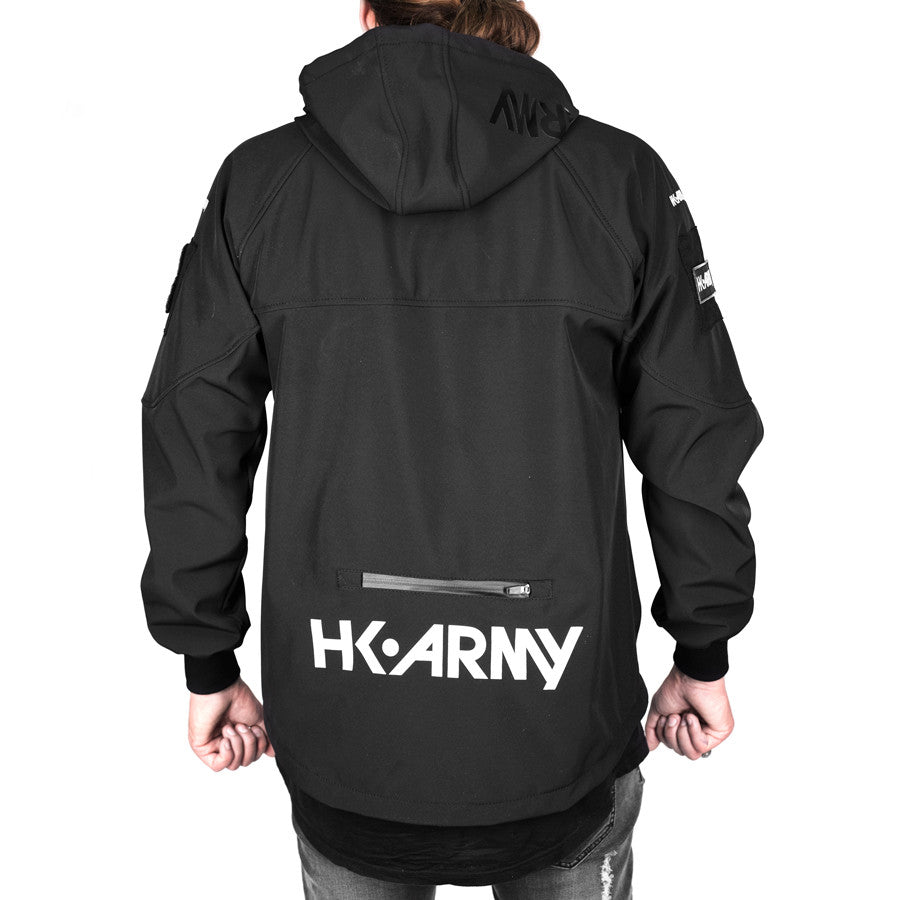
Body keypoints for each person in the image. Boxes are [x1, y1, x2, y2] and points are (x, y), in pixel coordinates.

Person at [139, 1, 763, 896]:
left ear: (370, 12)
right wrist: (702, 650)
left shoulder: (263, 180)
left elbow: (192, 426)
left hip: (346, 724)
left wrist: (209, 662)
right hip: (560, 723)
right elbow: (694, 430)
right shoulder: (618, 177)